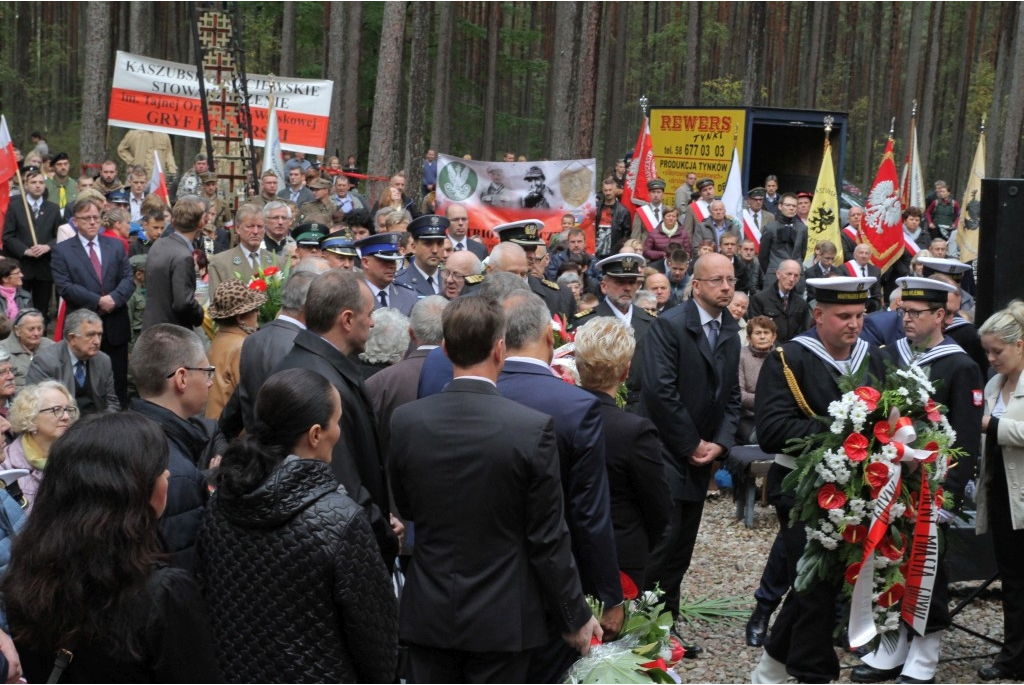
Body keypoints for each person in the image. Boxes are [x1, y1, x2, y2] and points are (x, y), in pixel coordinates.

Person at [390, 296, 600, 683]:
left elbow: (408, 506)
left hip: (430, 610)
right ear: (500, 349)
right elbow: (547, 537)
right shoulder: (531, 428)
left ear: (446, 349)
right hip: (501, 618)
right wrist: (575, 615)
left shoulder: (406, 421)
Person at [197, 368, 398, 682]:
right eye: (338, 421)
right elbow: (377, 643)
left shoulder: (220, 503)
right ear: (316, 434)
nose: (340, 431)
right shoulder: (341, 521)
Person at [2, 412, 217, 682]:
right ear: (134, 489)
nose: (167, 474)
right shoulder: (162, 592)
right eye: (159, 467)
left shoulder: (25, 574)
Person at [751, 276, 887, 684]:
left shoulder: (872, 357)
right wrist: (845, 433)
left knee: (818, 585)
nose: (854, 324)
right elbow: (773, 430)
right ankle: (814, 674)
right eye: (843, 315)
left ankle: (771, 667)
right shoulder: (789, 359)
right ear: (819, 315)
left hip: (858, 490)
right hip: (801, 489)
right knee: (815, 589)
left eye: (860, 315)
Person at [851, 276, 983, 685]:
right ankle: (892, 643)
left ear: (941, 315)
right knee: (888, 559)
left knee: (928, 567)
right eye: (902, 312)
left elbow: (963, 436)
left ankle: (925, 650)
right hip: (887, 482)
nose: (905, 319)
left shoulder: (960, 364)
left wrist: (949, 495)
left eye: (915, 313)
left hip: (931, 488)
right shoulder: (887, 356)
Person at [497, 291, 622, 680]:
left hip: (482, 585)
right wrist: (610, 594)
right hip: (557, 585)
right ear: (550, 338)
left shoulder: (479, 392)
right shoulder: (575, 407)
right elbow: (590, 513)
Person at [640, 252, 740, 652]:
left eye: (730, 279)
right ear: (695, 286)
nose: (726, 287)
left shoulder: (731, 328)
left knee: (681, 550)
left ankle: (665, 627)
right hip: (666, 452)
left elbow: (730, 395)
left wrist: (721, 442)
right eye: (717, 280)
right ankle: (640, 630)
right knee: (660, 547)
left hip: (701, 455)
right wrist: (691, 443)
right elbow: (660, 391)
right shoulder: (669, 326)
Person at [276, 270, 400, 566]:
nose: (372, 322)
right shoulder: (322, 383)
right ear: (346, 320)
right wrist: (382, 534)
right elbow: (342, 480)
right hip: (338, 551)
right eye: (368, 314)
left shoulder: (315, 365)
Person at [575, 316, 671, 589]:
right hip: (620, 555)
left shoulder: (558, 416)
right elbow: (659, 506)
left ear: (579, 366)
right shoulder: (634, 431)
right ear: (626, 371)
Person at [129, 324, 219, 572]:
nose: (210, 383)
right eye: (206, 371)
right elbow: (183, 573)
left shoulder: (124, 437)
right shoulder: (175, 475)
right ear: (182, 378)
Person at [975, 301, 1024, 681]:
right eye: (987, 351)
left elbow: (995, 429)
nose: (991, 358)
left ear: (1020, 344)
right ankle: (1012, 656)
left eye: (998, 351)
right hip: (1005, 498)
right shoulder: (993, 385)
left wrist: (993, 426)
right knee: (1013, 581)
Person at [51, 196, 135, 408]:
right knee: (85, 384)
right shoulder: (62, 251)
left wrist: (113, 299)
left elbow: (128, 279)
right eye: (86, 218)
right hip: (82, 328)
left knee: (117, 382)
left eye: (95, 217)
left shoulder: (116, 246)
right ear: (75, 221)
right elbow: (65, 286)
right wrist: (98, 301)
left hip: (115, 324)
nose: (91, 222)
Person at [2, 381, 77, 513]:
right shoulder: (7, 466)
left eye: (68, 410)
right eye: (56, 410)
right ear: (31, 418)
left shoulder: (78, 457)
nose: (66, 417)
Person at [27, 309, 119, 415]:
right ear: (72, 338)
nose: (97, 341)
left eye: (99, 335)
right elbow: (38, 409)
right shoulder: (45, 362)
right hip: (62, 425)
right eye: (90, 335)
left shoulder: (103, 360)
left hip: (97, 425)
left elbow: (112, 403)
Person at [142, 195, 207, 331]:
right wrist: (200, 314)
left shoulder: (159, 243)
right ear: (201, 224)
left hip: (151, 328)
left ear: (173, 222)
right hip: (171, 335)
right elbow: (183, 303)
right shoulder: (184, 257)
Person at [3, 168, 62, 317]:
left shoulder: (53, 209)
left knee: (42, 308)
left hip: (44, 269)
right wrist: (25, 250)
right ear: (26, 185)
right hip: (22, 267)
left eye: (41, 182)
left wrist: (48, 246)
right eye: (33, 182)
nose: (38, 185)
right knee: (19, 307)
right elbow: (8, 236)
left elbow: (60, 236)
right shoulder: (15, 207)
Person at [204, 279, 266, 420]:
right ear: (240, 318)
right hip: (232, 433)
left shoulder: (218, 339)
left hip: (214, 425)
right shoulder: (242, 347)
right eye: (255, 309)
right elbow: (250, 397)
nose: (259, 314)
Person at [207, 204, 283, 298]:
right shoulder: (220, 263)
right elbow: (216, 304)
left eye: (260, 227)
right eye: (250, 226)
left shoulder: (278, 262)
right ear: (238, 228)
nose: (255, 231)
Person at [747, 259, 810, 343]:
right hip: (767, 350)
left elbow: (803, 331)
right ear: (778, 274)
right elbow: (755, 330)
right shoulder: (759, 299)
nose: (792, 279)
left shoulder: (801, 304)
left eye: (796, 276)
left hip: (792, 351)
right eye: (789, 274)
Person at [357, 232, 418, 317]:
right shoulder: (354, 295)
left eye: (394, 260)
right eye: (384, 260)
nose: (392, 266)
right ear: (366, 262)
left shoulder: (408, 295)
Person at [737, 316, 777, 445]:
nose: (762, 337)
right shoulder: (740, 357)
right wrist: (769, 402)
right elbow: (739, 394)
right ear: (749, 338)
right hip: (748, 417)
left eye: (766, 333)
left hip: (777, 416)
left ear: (774, 337)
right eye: (758, 333)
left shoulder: (782, 357)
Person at [758, 193, 807, 291]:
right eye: (788, 205)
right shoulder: (770, 228)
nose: (791, 208)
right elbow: (763, 256)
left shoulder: (803, 229)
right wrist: (774, 269)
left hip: (796, 279)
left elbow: (802, 253)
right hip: (774, 276)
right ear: (780, 206)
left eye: (794, 206)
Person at [2, 309, 51, 390]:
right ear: (17, 330)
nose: (36, 333)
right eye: (31, 329)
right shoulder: (3, 350)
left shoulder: (51, 346)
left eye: (40, 328)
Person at [631, 178, 668, 243]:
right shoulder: (641, 212)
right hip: (646, 248)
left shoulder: (668, 211)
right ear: (649, 194)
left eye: (658, 192)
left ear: (663, 195)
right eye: (653, 192)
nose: (656, 195)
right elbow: (636, 235)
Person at [0, 260, 32, 326]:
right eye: (17, 273)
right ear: (5, 279)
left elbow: (30, 321)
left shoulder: (25, 296)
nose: (22, 275)